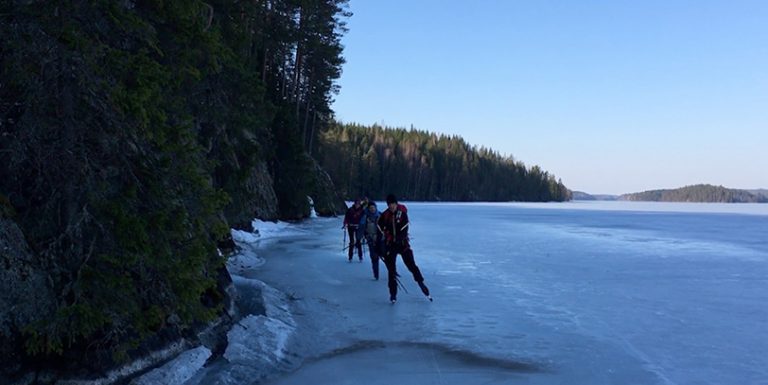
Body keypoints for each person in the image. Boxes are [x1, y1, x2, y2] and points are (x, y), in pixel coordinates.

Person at [378, 194, 431, 303]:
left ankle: (421, 283)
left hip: (402, 244)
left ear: (396, 204)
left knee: (411, 265)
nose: (392, 206)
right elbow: (379, 226)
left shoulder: (402, 214)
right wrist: (380, 245)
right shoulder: (385, 215)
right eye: (389, 205)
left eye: (393, 204)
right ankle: (393, 294)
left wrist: (397, 239)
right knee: (391, 270)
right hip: (391, 245)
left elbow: (404, 230)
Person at [359, 201, 383, 280]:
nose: (372, 209)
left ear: (376, 207)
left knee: (384, 255)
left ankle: (391, 272)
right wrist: (359, 238)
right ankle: (376, 273)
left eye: (373, 207)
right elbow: (361, 228)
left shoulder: (381, 215)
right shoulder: (365, 217)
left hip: (381, 240)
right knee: (374, 257)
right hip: (370, 239)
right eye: (370, 208)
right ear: (368, 209)